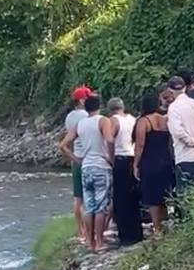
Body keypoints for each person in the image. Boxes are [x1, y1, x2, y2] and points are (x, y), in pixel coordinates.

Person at [62, 95, 115, 253]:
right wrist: (111, 158)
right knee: (100, 207)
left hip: (86, 167)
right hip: (101, 166)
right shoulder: (103, 121)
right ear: (99, 107)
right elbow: (110, 140)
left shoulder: (80, 124)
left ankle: (90, 242)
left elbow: (63, 145)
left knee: (89, 206)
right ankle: (99, 242)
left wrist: (77, 160)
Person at [133, 94, 175, 236]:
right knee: (164, 195)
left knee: (152, 198)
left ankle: (157, 228)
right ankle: (165, 226)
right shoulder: (164, 120)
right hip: (165, 161)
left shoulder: (143, 121)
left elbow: (140, 145)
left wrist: (135, 164)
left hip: (150, 162)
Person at [59, 85, 94, 243]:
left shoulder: (69, 117)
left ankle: (80, 231)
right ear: (82, 100)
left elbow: (70, 139)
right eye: (88, 97)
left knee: (77, 197)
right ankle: (90, 231)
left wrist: (74, 158)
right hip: (87, 158)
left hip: (76, 159)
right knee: (89, 197)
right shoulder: (87, 116)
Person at [107, 98, 143, 246]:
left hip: (120, 159)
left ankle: (126, 236)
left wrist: (111, 158)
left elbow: (110, 140)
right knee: (133, 197)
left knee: (120, 198)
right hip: (133, 158)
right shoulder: (132, 119)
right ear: (123, 106)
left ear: (110, 109)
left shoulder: (113, 121)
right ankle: (137, 233)